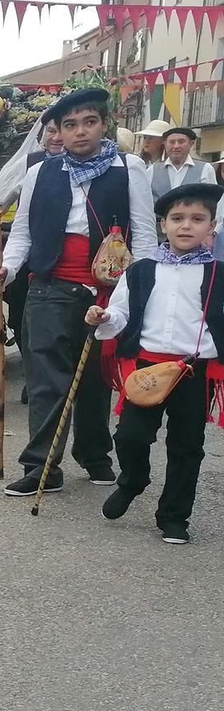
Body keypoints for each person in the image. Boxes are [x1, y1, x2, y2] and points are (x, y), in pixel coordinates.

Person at [0, 87, 156, 496]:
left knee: (97, 378)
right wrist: (6, 269)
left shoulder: (127, 167)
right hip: (49, 288)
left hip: (108, 291)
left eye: (89, 122)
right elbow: (23, 232)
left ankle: (95, 454)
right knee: (46, 380)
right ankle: (41, 466)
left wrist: (139, 292)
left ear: (104, 124)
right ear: (58, 131)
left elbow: (146, 237)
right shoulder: (39, 172)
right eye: (70, 125)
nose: (80, 132)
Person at [89, 182, 224, 545]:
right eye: (177, 218)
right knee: (130, 435)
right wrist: (104, 317)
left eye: (197, 219)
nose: (186, 225)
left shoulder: (219, 274)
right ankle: (133, 479)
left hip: (195, 371)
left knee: (187, 445)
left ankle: (174, 516)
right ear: (163, 224)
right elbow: (120, 312)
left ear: (212, 226)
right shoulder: (142, 270)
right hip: (146, 367)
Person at [151, 125, 216, 199]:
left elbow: (213, 199)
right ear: (165, 144)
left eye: (181, 142)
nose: (176, 146)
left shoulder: (205, 169)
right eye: (172, 142)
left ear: (191, 144)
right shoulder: (152, 170)